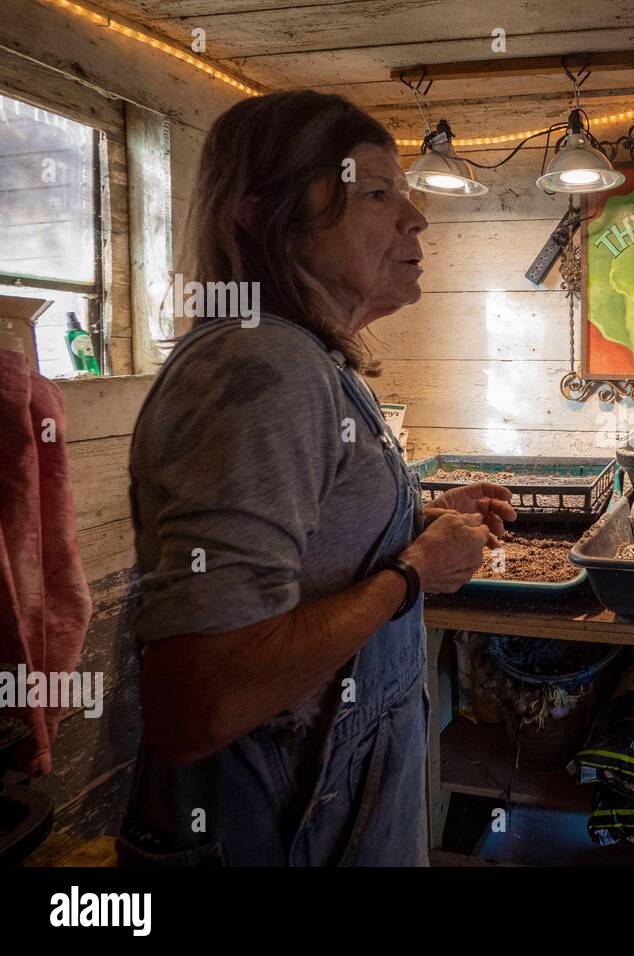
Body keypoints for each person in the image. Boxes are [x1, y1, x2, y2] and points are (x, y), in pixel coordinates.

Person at [116, 90, 515, 866]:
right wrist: (412, 572)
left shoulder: (308, 360)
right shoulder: (262, 365)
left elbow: (311, 549)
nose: (417, 219)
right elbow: (200, 700)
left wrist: (415, 518)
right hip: (274, 828)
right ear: (260, 215)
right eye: (375, 193)